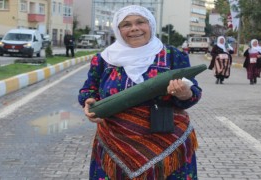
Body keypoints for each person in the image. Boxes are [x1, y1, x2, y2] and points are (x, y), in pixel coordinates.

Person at [78, 5, 202, 179]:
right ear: (118, 29)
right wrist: (89, 103)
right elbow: (88, 90)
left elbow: (194, 93)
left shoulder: (173, 55)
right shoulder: (104, 59)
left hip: (168, 142)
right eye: (126, 24)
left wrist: (184, 94)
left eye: (140, 22)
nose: (134, 28)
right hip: (115, 143)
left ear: (150, 24)